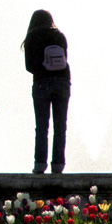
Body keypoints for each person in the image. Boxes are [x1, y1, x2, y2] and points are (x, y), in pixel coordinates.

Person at [22, 9, 71, 175]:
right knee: (60, 126)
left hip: (42, 83)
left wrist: (43, 69)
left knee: (42, 126)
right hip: (63, 82)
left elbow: (29, 66)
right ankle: (58, 166)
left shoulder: (32, 36)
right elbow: (64, 59)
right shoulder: (59, 35)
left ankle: (40, 165)